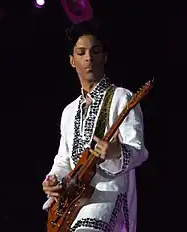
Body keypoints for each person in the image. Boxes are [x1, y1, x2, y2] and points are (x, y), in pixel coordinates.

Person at [42, 20, 149, 232]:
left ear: (105, 57)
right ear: (72, 61)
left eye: (95, 51)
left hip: (109, 194)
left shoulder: (122, 97)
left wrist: (115, 151)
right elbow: (64, 160)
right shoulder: (69, 111)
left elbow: (139, 151)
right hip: (74, 201)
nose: (89, 58)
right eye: (81, 53)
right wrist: (52, 180)